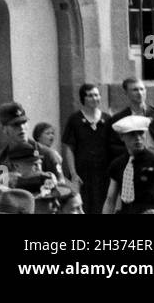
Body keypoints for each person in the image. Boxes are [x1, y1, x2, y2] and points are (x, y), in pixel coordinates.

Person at [61, 83, 114, 215]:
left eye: (96, 95)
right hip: (82, 174)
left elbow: (114, 147)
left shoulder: (108, 119)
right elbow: (69, 148)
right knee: (82, 205)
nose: (94, 98)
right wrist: (73, 173)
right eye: (90, 95)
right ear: (83, 99)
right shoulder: (74, 120)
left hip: (103, 173)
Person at [103, 115, 154, 215]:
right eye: (132, 134)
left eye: (141, 133)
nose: (138, 138)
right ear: (121, 136)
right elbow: (110, 199)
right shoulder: (117, 164)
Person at [0, 102, 61, 181]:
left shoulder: (46, 154)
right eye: (15, 124)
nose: (22, 127)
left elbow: (61, 187)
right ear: (4, 129)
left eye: (24, 122)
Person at [109, 77, 154, 158]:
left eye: (142, 89)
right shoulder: (119, 118)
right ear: (126, 93)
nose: (140, 93)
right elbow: (114, 145)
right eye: (135, 90)